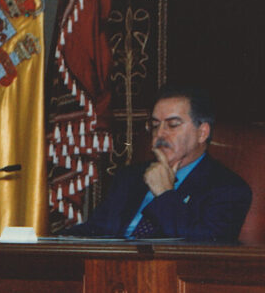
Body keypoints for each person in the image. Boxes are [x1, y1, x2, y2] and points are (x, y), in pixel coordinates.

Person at [60, 85, 251, 242]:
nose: (159, 134)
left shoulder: (228, 189)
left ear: (202, 132)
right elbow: (96, 229)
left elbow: (204, 246)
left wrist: (165, 195)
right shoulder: (130, 177)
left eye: (173, 125)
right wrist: (55, 240)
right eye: (154, 125)